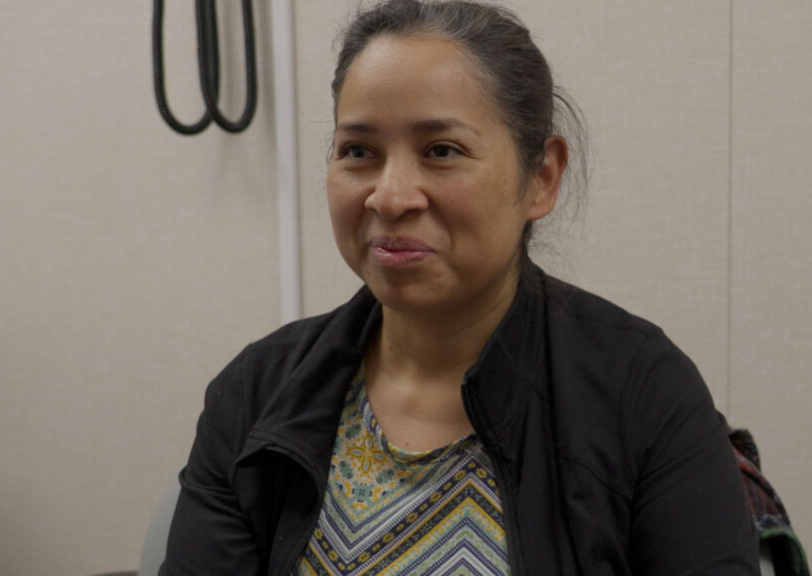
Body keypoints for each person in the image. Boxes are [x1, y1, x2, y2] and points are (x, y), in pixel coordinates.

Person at [161, 1, 759, 574]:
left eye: (441, 151)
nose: (390, 196)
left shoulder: (643, 393)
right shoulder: (256, 392)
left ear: (541, 178)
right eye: (359, 151)